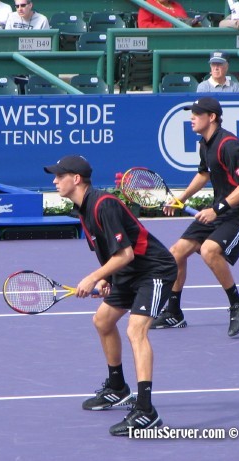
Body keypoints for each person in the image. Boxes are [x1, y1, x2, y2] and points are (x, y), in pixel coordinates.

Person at [43, 155, 178, 436]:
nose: (54, 181)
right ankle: (117, 387)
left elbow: (126, 253)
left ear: (76, 179)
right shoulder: (84, 210)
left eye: (59, 175)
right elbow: (114, 256)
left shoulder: (104, 205)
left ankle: (146, 410)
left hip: (153, 271)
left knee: (136, 330)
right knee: (103, 321)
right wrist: (106, 278)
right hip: (129, 273)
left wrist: (93, 276)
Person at [150, 97, 239, 337]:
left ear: (211, 117)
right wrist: (182, 198)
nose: (191, 117)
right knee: (176, 253)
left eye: (196, 113)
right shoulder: (205, 144)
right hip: (222, 208)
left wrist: (217, 209)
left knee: (209, 251)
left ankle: (238, 305)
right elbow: (203, 175)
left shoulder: (230, 146)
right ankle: (174, 313)